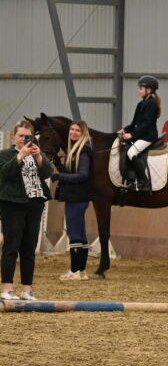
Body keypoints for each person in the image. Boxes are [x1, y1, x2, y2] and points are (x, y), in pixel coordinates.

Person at [0, 120, 53, 300]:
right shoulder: (5, 154)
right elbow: (4, 174)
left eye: (27, 136)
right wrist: (20, 156)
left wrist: (39, 157)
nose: (24, 139)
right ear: (14, 137)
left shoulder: (37, 153)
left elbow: (47, 173)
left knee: (29, 248)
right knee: (11, 246)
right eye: (21, 135)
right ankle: (7, 288)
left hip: (35, 204)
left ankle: (27, 289)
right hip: (13, 204)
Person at [51, 119, 94, 280]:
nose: (73, 132)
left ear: (83, 133)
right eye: (72, 129)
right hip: (78, 196)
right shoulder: (76, 150)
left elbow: (82, 175)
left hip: (77, 196)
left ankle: (75, 271)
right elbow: (72, 172)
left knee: (74, 233)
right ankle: (81, 271)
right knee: (80, 234)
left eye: (77, 130)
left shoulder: (83, 151)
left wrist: (59, 176)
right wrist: (59, 165)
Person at [118, 75, 161, 191]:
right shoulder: (141, 104)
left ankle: (144, 181)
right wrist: (124, 130)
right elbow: (134, 124)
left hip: (148, 137)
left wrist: (132, 135)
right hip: (141, 135)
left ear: (149, 90)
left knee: (131, 152)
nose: (138, 90)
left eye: (141, 88)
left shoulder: (152, 104)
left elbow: (146, 124)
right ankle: (131, 179)